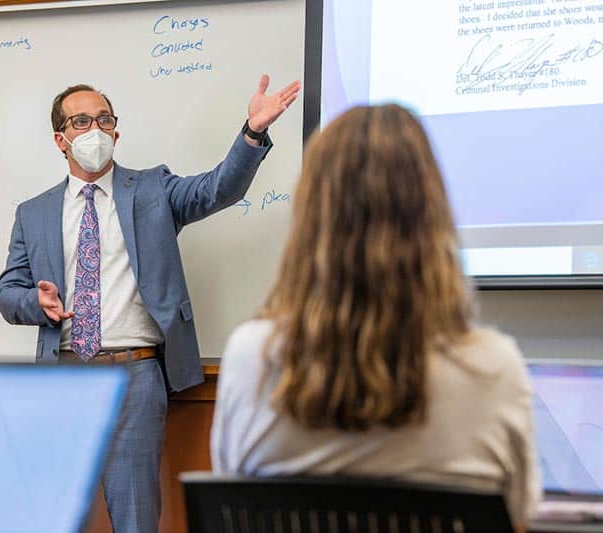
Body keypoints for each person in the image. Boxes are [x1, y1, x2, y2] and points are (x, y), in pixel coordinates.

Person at [210, 104, 541, 532]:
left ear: (311, 219)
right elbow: (518, 516)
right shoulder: (493, 367)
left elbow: (230, 503)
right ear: (431, 214)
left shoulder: (252, 356)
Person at [0, 75, 300, 532]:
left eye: (104, 119)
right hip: (61, 377)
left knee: (135, 516)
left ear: (116, 132)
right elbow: (7, 292)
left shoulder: (153, 190)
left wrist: (252, 131)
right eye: (81, 121)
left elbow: (218, 189)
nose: (95, 129)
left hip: (134, 375)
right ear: (60, 139)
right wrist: (37, 304)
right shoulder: (34, 212)